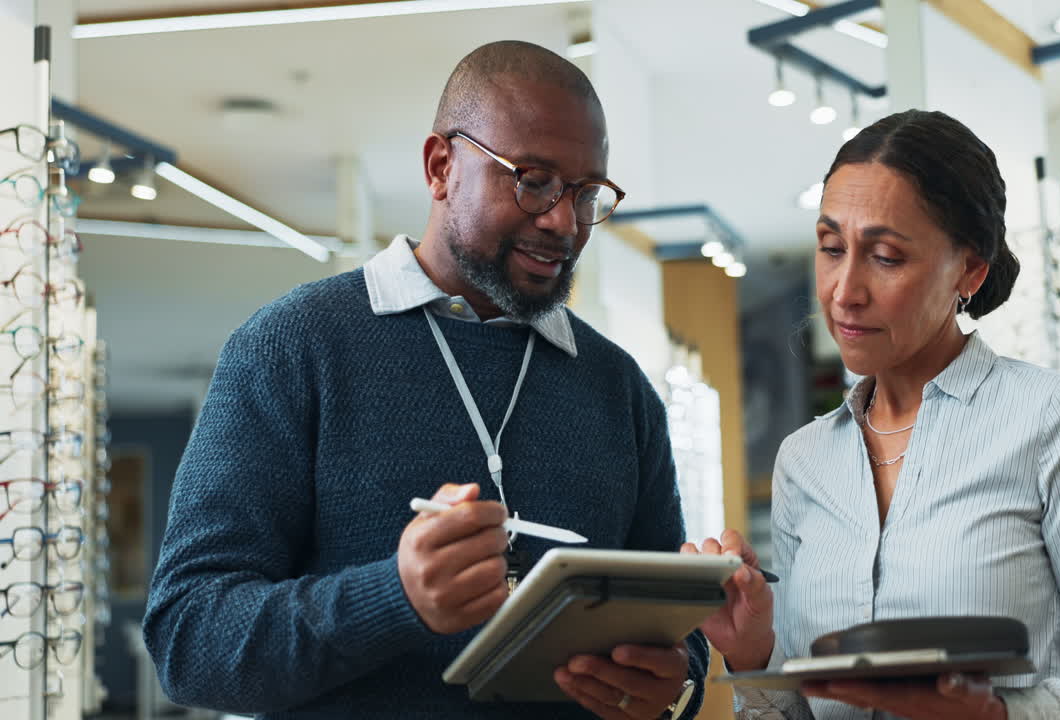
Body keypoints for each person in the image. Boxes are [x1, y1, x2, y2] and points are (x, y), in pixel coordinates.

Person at [143, 40, 707, 720]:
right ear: (442, 168)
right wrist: (393, 599)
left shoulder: (619, 390)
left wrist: (674, 681)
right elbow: (188, 641)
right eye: (532, 179)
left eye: (587, 194)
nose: (562, 220)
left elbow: (674, 633)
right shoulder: (292, 347)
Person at [684, 110, 1060, 720]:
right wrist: (754, 654)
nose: (844, 290)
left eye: (886, 256)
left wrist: (997, 715)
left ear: (969, 269)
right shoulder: (803, 461)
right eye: (831, 248)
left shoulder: (1059, 418)